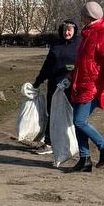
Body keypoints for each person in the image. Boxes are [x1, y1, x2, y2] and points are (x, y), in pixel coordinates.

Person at [64, 1, 104, 172]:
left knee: (79, 121)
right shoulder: (88, 34)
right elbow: (82, 62)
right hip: (81, 83)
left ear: (88, 16)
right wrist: (70, 77)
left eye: (83, 15)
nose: (81, 18)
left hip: (93, 86)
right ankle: (85, 159)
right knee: (78, 123)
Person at [31, 19, 80, 155]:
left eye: (70, 29)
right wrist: (38, 81)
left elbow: (84, 64)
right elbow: (47, 65)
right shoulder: (56, 45)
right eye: (64, 30)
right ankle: (49, 143)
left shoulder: (79, 45)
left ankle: (73, 143)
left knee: (72, 115)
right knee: (52, 113)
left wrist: (72, 70)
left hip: (71, 86)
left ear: (75, 31)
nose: (67, 32)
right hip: (54, 85)